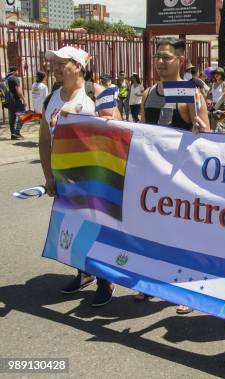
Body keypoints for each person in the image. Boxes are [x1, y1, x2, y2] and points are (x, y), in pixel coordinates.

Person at [39, 46, 118, 307]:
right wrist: (49, 175)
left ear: (79, 66)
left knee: (98, 227)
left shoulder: (95, 93)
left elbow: (116, 131)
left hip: (94, 176)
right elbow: (43, 139)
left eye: (63, 63)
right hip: (65, 177)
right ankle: (83, 273)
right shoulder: (52, 97)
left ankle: (105, 279)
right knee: (71, 226)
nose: (57, 67)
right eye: (55, 63)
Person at [137, 37, 210, 313]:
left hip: (183, 179)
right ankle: (150, 283)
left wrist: (201, 127)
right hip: (155, 178)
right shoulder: (148, 93)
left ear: (180, 61)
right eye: (157, 57)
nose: (160, 62)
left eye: (166, 57)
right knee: (154, 232)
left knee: (184, 236)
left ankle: (186, 290)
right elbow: (143, 132)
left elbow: (207, 137)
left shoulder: (190, 92)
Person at [5, 66, 27, 139]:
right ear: (14, 71)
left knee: (12, 117)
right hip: (16, 101)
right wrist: (24, 100)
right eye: (17, 71)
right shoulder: (14, 78)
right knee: (22, 115)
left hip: (9, 101)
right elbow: (18, 90)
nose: (18, 73)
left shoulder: (6, 79)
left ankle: (13, 134)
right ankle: (17, 132)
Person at [208, 67, 225, 131]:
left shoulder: (224, 83)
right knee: (212, 128)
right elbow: (210, 96)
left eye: (218, 73)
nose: (216, 74)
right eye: (215, 73)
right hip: (213, 106)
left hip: (221, 106)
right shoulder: (212, 84)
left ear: (222, 74)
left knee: (220, 128)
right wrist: (209, 102)